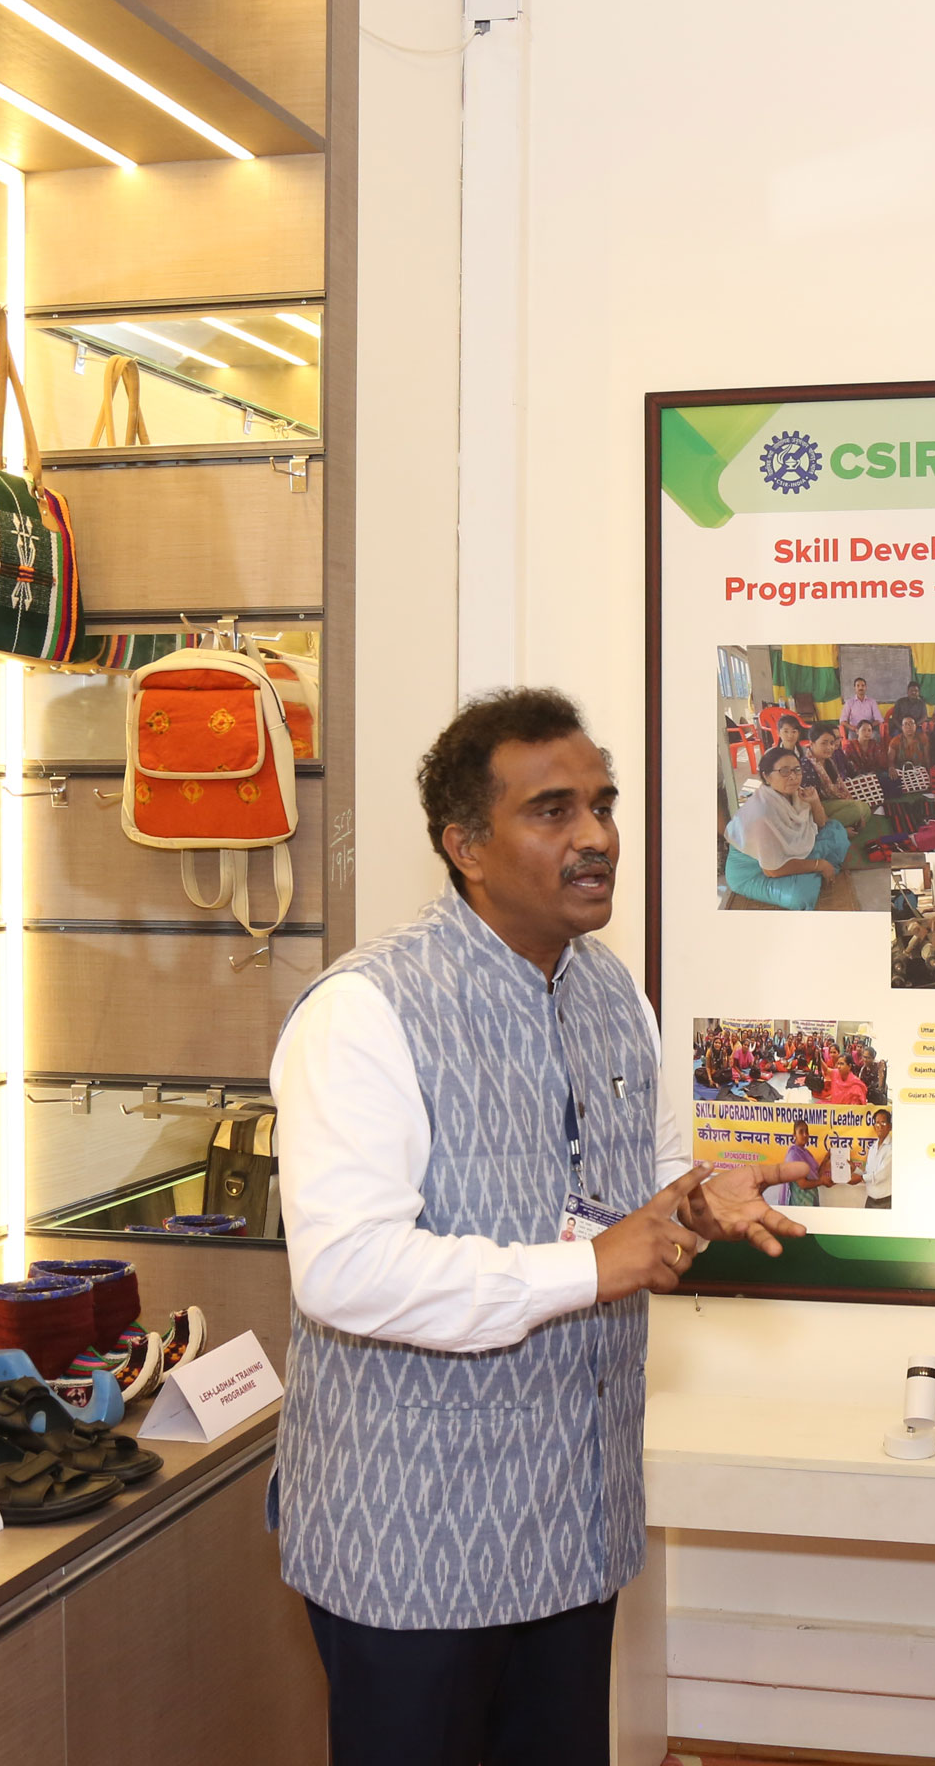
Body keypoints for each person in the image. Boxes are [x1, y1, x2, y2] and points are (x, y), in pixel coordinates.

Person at [270, 687, 809, 1766]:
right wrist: (590, 1267)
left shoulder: (613, 993)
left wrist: (696, 1200)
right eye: (553, 811)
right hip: (412, 1542)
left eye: (602, 805)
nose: (596, 835)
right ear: (466, 845)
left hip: (572, 1522)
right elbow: (344, 1269)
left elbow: (639, 1187)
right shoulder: (365, 1010)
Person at [724, 750, 847, 911]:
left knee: (836, 830)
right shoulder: (761, 813)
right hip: (755, 873)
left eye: (797, 770)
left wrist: (815, 802)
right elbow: (772, 870)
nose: (793, 776)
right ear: (766, 776)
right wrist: (820, 865)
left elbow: (821, 824)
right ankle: (814, 871)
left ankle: (809, 871)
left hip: (788, 854)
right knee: (800, 896)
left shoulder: (795, 793)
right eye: (784, 771)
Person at [862, 1106, 895, 1207]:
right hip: (870, 1200)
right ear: (874, 1127)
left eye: (883, 1123)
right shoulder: (873, 1147)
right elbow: (869, 1172)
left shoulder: (893, 1147)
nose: (880, 1126)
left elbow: (881, 1175)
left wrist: (860, 1178)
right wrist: (854, 1169)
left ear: (890, 1126)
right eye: (877, 1123)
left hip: (885, 1202)